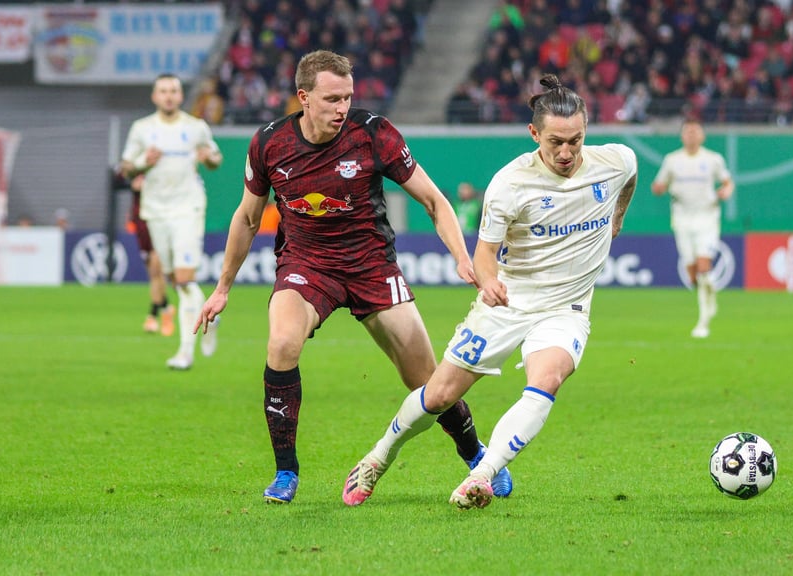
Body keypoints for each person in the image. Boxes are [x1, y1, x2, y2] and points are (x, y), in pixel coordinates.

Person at [195, 50, 513, 505]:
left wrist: (463, 258)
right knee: (282, 343)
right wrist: (222, 287)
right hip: (306, 265)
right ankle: (286, 472)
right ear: (303, 98)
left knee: (428, 381)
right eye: (331, 99)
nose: (342, 108)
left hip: (371, 266)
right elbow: (247, 219)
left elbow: (434, 201)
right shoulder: (269, 144)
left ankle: (474, 454)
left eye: (347, 97)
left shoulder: (374, 134)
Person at [341, 74, 638, 510]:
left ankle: (481, 474)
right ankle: (378, 457)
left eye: (576, 140)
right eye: (555, 141)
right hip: (509, 300)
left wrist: (618, 216)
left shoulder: (615, 161)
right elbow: (485, 255)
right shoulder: (510, 184)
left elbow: (629, 178)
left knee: (547, 379)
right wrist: (489, 280)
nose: (567, 152)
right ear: (534, 133)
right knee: (440, 394)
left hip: (566, 306)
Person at [120, 73, 223, 370]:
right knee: (173, 279)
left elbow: (215, 159)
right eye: (163, 91)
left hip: (187, 208)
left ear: (180, 96)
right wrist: (142, 163)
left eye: (173, 91)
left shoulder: (195, 127)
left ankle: (185, 352)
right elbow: (126, 168)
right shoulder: (142, 129)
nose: (168, 96)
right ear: (155, 96)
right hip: (155, 210)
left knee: (184, 278)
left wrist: (208, 158)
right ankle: (211, 316)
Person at [650, 119, 734, 339]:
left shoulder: (713, 159)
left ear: (702, 136)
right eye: (688, 132)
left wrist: (726, 191)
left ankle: (703, 321)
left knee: (704, 265)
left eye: (695, 131)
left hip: (707, 217)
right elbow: (658, 185)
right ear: (682, 136)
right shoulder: (672, 160)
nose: (692, 135)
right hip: (682, 219)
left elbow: (727, 182)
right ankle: (709, 293)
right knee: (693, 275)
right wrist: (659, 188)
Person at [128, 172, 175, 336]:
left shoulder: (156, 193)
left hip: (157, 235)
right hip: (143, 238)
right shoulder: (136, 200)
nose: (139, 181)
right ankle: (167, 308)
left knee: (157, 274)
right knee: (154, 278)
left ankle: (154, 316)